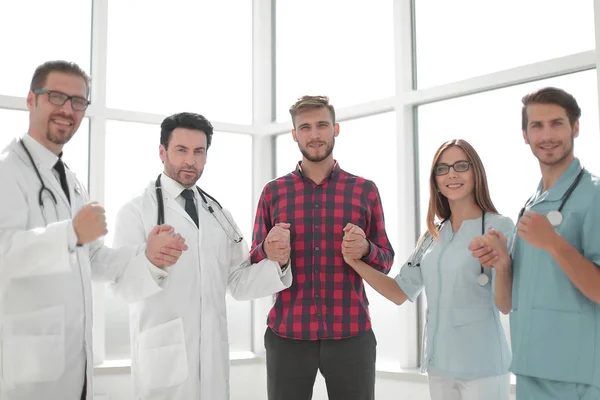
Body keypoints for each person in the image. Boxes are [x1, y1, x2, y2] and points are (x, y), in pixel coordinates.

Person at [0, 60, 187, 400]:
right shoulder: (7, 172)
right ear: (31, 100)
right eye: (57, 97)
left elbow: (93, 259)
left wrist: (147, 255)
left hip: (73, 365)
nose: (68, 109)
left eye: (78, 102)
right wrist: (70, 234)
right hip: (25, 371)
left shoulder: (69, 179)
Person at [111, 111, 293, 399]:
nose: (190, 161)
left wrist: (278, 261)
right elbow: (121, 286)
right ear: (162, 152)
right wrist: (152, 262)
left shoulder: (218, 214)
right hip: (163, 358)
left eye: (199, 151)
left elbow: (238, 281)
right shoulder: (135, 213)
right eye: (181, 150)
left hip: (212, 359)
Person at [250, 95, 395, 400]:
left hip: (351, 334)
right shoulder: (273, 193)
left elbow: (385, 261)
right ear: (294, 134)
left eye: (321, 125)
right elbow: (253, 260)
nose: (314, 134)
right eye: (305, 127)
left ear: (335, 129)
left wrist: (366, 249)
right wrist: (267, 249)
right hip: (287, 334)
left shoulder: (364, 191)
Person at [345, 139, 513, 400]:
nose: (452, 174)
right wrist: (355, 262)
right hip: (440, 366)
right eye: (442, 169)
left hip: (484, 366)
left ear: (475, 172)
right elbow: (399, 292)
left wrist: (503, 267)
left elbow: (506, 304)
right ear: (435, 180)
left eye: (460, 166)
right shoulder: (432, 236)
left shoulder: (499, 227)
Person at [470, 87, 600, 399]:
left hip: (576, 375)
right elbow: (507, 304)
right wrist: (503, 264)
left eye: (557, 123)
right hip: (530, 368)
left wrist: (555, 244)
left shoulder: (593, 196)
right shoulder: (531, 206)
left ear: (576, 127)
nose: (547, 135)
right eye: (536, 126)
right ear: (525, 135)